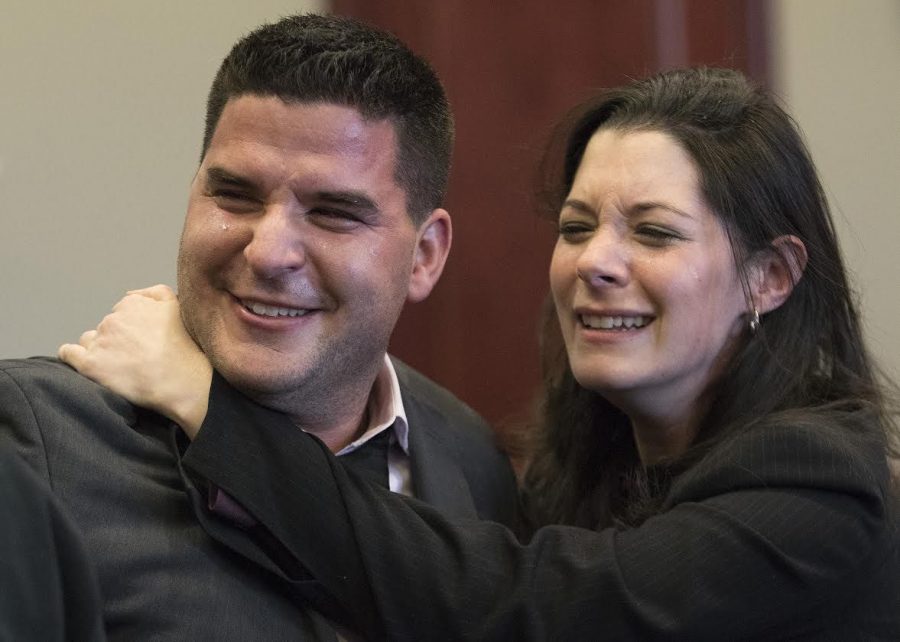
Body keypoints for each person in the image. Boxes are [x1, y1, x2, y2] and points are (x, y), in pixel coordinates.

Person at [64, 67, 900, 640]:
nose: (596, 263)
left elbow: (530, 611)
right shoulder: (569, 477)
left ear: (773, 276)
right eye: (576, 227)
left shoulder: (821, 479)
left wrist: (212, 407)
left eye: (652, 232)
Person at [2, 13, 517, 640]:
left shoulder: (470, 459)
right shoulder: (33, 445)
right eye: (236, 196)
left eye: (332, 213)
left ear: (425, 255)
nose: (269, 253)